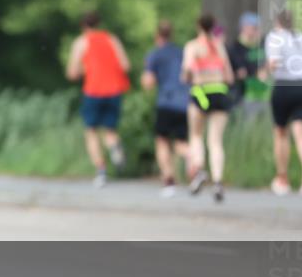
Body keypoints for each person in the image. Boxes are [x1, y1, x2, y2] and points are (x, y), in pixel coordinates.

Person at [65, 11, 131, 187]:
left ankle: (101, 169)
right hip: (115, 90)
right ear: (99, 23)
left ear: (83, 25)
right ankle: (115, 148)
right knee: (110, 130)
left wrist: (83, 70)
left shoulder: (81, 42)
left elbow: (72, 73)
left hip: (93, 91)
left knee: (91, 131)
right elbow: (125, 66)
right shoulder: (112, 39)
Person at [182, 13, 234, 202]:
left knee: (196, 136)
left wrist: (191, 76)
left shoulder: (192, 46)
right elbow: (229, 77)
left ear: (198, 26)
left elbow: (187, 70)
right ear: (213, 27)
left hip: (200, 93)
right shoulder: (219, 46)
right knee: (215, 141)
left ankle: (200, 170)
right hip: (219, 93)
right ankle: (218, 181)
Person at [265, 10, 302, 196]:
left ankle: (282, 178)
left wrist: (264, 70)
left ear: (277, 22)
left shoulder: (275, 37)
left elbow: (273, 63)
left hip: (283, 86)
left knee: (281, 133)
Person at [141, 21, 191, 198]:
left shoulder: (154, 54)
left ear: (157, 35)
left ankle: (168, 179)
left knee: (162, 141)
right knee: (180, 143)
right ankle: (194, 158)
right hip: (186, 102)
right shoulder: (182, 52)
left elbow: (148, 82)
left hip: (166, 102)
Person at [228, 11, 270, 117]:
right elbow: (241, 72)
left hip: (264, 94)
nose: (257, 31)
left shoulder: (264, 45)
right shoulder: (235, 48)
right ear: (244, 28)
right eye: (254, 28)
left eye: (258, 28)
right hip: (243, 95)